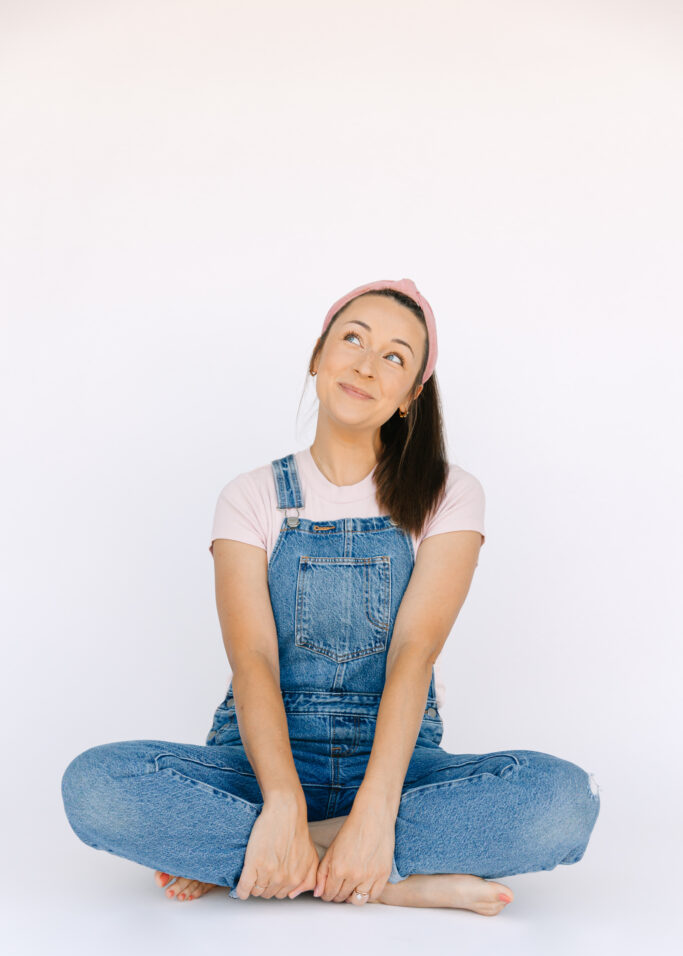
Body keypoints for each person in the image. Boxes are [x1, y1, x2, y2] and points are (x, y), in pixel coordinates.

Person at [61, 277, 601, 914]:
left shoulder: (449, 494)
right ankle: (390, 881)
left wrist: (374, 813)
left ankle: (282, 858)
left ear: (410, 396)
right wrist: (283, 803)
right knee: (94, 787)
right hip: (261, 765)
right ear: (318, 356)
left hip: (397, 769)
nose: (368, 365)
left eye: (395, 357)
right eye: (354, 339)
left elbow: (413, 655)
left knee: (565, 802)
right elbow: (252, 661)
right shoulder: (250, 495)